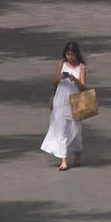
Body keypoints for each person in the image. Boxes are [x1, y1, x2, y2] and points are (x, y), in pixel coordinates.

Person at [41, 39, 88, 172]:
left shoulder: (82, 67)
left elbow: (84, 88)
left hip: (75, 101)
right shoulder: (61, 64)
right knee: (61, 129)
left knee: (75, 129)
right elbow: (54, 83)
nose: (70, 57)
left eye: (72, 54)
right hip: (60, 101)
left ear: (76, 54)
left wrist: (75, 80)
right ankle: (64, 160)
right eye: (68, 54)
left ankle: (78, 151)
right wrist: (60, 77)